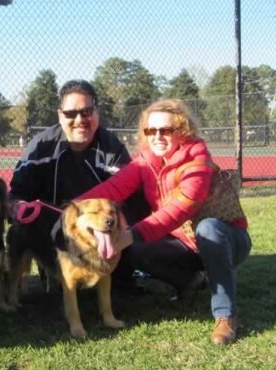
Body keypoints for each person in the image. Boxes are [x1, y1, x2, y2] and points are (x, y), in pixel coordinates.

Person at [79, 98, 252, 345]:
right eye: (151, 131)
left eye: (165, 130)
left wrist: (130, 235)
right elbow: (113, 188)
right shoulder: (145, 161)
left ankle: (226, 315)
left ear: (182, 130)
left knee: (209, 229)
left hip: (228, 240)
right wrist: (71, 209)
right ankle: (189, 281)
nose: (157, 136)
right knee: (135, 250)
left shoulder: (197, 160)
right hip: (184, 242)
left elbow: (180, 208)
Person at [8, 79, 148, 272]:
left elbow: (131, 197)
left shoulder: (111, 148)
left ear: (97, 112)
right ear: (60, 115)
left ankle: (120, 271)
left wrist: (119, 230)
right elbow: (15, 195)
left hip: (102, 232)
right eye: (70, 114)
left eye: (86, 112)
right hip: (56, 234)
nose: (79, 120)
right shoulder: (40, 147)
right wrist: (18, 208)